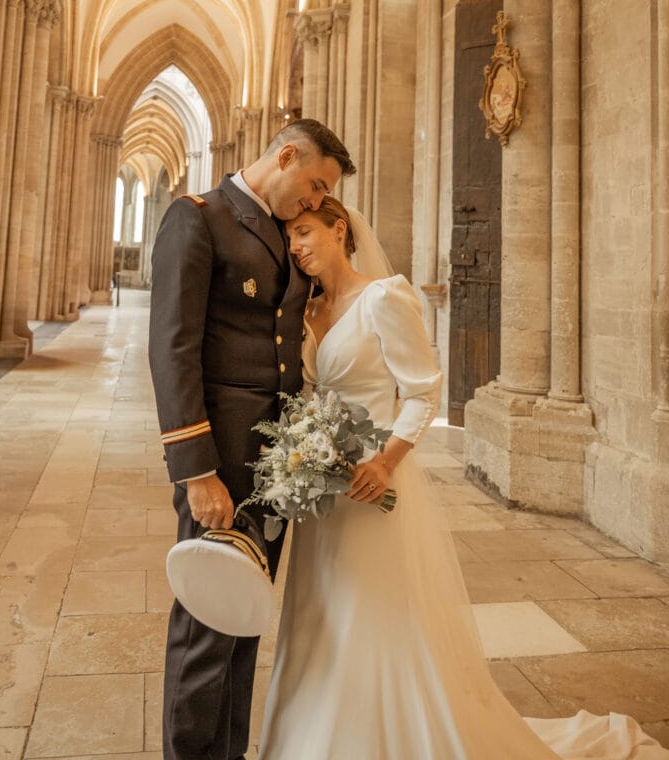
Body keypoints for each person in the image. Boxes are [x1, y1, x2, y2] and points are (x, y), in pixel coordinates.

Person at [258, 197, 669, 760]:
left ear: (339, 229)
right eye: (290, 239)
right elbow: (307, 394)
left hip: (373, 481)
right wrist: (302, 451)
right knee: (320, 612)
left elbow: (424, 390)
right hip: (325, 489)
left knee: (372, 613)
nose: (297, 246)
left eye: (305, 232)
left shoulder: (383, 298)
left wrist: (384, 463)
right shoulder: (303, 312)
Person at [149, 119, 356, 760]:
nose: (319, 200)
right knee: (206, 623)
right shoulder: (199, 218)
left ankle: (227, 751)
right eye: (317, 183)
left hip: (278, 463)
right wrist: (195, 468)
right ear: (286, 155)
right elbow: (173, 349)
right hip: (222, 459)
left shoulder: (285, 234)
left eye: (326, 194)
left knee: (243, 618)